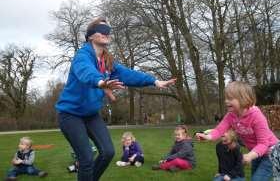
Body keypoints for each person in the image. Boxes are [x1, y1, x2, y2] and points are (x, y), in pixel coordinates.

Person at [55, 17, 176, 181]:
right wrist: (101, 83)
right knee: (86, 159)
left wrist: (154, 81)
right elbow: (86, 72)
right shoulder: (82, 55)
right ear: (90, 35)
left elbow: (128, 74)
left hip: (90, 115)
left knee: (108, 152)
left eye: (108, 31)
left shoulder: (107, 61)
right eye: (102, 30)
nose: (107, 33)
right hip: (70, 115)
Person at [196, 81, 279, 181]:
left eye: (230, 98)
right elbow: (219, 130)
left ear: (244, 99)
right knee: (255, 177)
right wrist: (208, 137)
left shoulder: (257, 117)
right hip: (255, 153)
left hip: (271, 153)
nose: (226, 101)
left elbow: (263, 144)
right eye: (226, 98)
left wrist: (249, 156)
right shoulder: (231, 115)